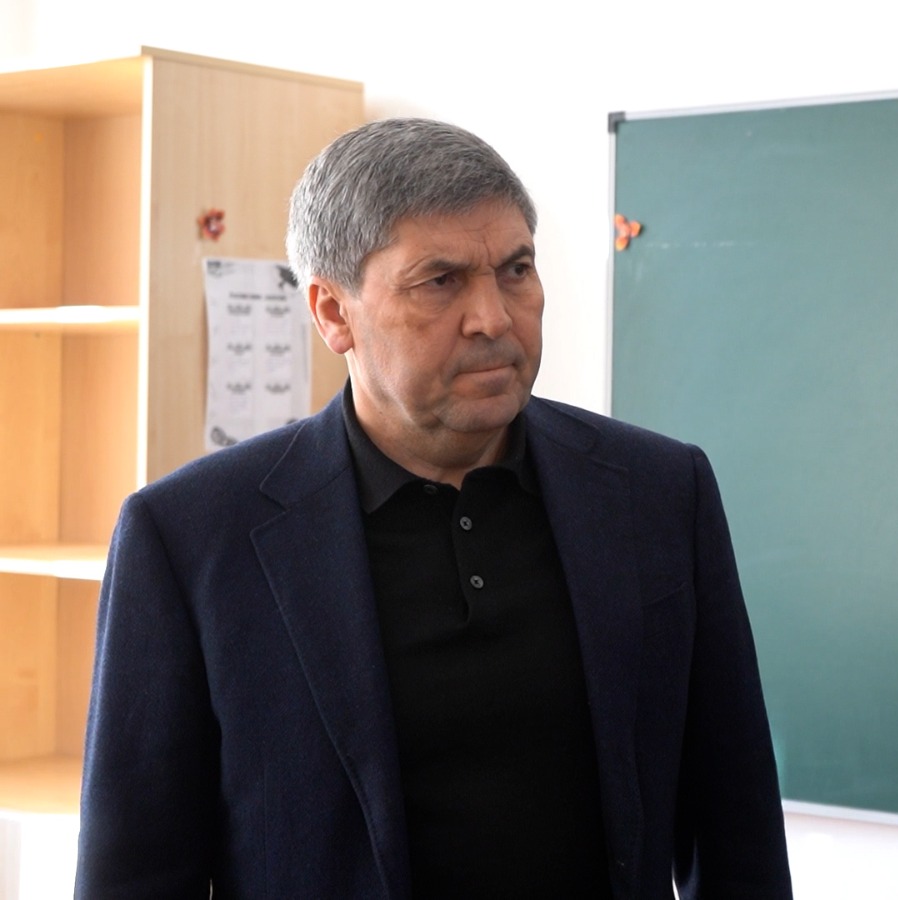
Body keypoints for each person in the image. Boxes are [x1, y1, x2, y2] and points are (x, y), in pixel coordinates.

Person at [75, 117, 792, 899]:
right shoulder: (191, 538)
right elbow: (134, 874)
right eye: (441, 281)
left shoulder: (657, 492)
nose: (494, 317)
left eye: (516, 270)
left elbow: (739, 833)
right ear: (332, 312)